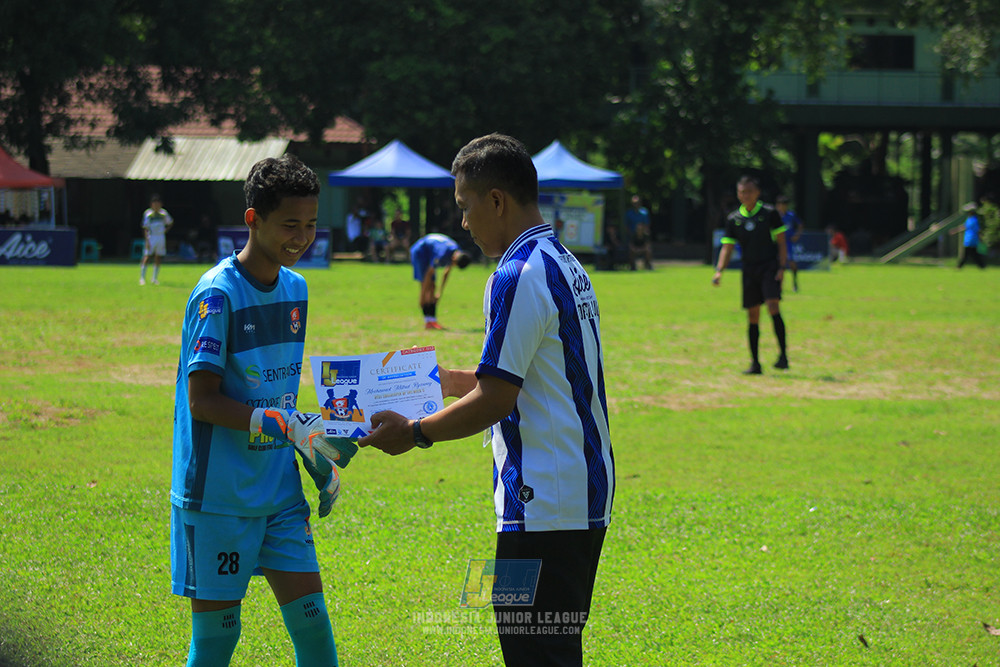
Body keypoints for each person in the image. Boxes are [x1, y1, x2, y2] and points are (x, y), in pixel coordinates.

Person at [360, 133, 615, 667]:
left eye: (465, 205)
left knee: (533, 650)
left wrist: (415, 434)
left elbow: (498, 399)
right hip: (576, 490)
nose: (463, 222)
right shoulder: (561, 260)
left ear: (495, 200)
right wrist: (450, 379)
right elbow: (529, 373)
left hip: (544, 498)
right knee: (551, 645)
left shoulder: (516, 272)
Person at [171, 154, 357, 667]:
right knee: (215, 643)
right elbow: (202, 401)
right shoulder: (216, 294)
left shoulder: (296, 289)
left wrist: (314, 443)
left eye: (311, 224)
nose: (302, 237)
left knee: (315, 630)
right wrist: (276, 423)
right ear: (253, 219)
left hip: (279, 493)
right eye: (289, 225)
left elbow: (277, 392)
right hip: (218, 496)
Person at [712, 175, 790, 374]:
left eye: (749, 191)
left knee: (773, 306)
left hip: (770, 266)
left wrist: (782, 266)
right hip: (749, 269)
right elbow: (727, 248)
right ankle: (755, 363)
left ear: (757, 193)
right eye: (742, 192)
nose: (745, 195)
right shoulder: (733, 219)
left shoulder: (770, 213)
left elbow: (781, 241)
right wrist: (719, 271)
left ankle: (783, 356)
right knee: (753, 314)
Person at [409, 232, 471, 330]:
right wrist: (422, 296)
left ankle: (432, 320)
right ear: (454, 258)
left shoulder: (457, 251)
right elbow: (429, 274)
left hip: (429, 254)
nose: (452, 265)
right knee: (428, 286)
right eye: (453, 263)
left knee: (433, 287)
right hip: (420, 253)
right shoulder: (441, 253)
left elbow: (446, 273)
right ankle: (428, 321)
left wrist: (439, 292)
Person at [139, 195, 174, 285]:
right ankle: (142, 278)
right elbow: (145, 227)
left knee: (158, 257)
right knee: (147, 256)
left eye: (158, 204)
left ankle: (154, 278)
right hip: (151, 236)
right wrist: (147, 240)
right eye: (154, 204)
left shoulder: (163, 214)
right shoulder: (148, 214)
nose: (156, 206)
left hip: (160, 236)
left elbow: (170, 222)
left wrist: (165, 231)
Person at [775, 195, 803, 292]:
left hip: (788, 242)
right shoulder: (776, 216)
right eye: (782, 204)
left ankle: (795, 283)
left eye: (785, 205)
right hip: (777, 243)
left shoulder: (791, 215)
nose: (784, 207)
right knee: (779, 265)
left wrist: (797, 235)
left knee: (791, 264)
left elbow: (800, 225)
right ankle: (779, 286)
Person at [954, 202, 987, 269]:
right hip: (970, 239)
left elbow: (974, 229)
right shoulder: (970, 219)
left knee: (967, 254)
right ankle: (982, 266)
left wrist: (955, 231)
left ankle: (959, 266)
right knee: (974, 254)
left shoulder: (973, 220)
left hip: (971, 239)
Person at [625, 194, 653, 270]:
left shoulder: (644, 213)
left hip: (642, 236)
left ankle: (648, 265)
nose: (635, 205)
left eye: (637, 203)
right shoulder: (629, 213)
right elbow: (626, 225)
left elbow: (647, 225)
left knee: (648, 250)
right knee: (631, 251)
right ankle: (632, 267)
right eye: (634, 203)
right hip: (632, 235)